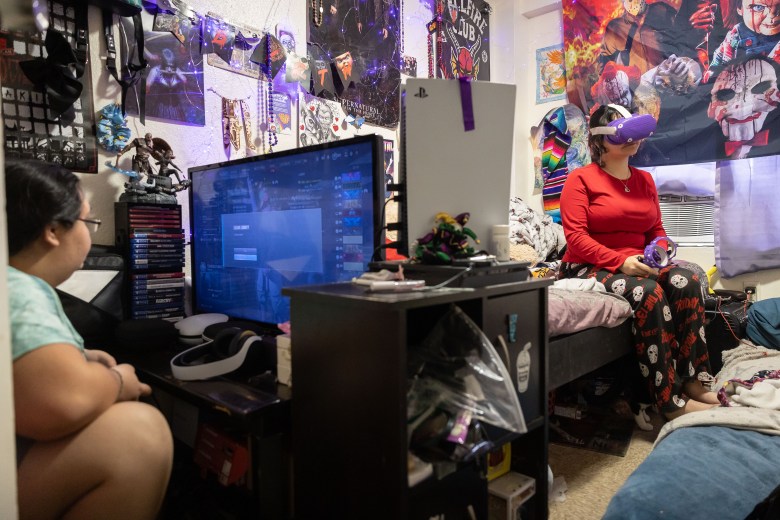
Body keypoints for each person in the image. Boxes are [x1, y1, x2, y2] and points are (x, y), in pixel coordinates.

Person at [6, 159, 173, 518]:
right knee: (139, 434)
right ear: (53, 230)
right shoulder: (18, 290)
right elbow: (61, 403)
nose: (90, 233)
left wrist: (79, 360)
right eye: (88, 221)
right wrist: (116, 382)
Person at [558, 104, 719, 420]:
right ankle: (668, 402)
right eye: (622, 131)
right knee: (649, 292)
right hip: (589, 265)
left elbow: (656, 230)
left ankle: (693, 381)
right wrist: (620, 262)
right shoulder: (580, 180)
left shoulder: (644, 180)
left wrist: (659, 251)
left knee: (689, 280)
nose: (633, 139)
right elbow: (576, 238)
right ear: (601, 140)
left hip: (636, 262)